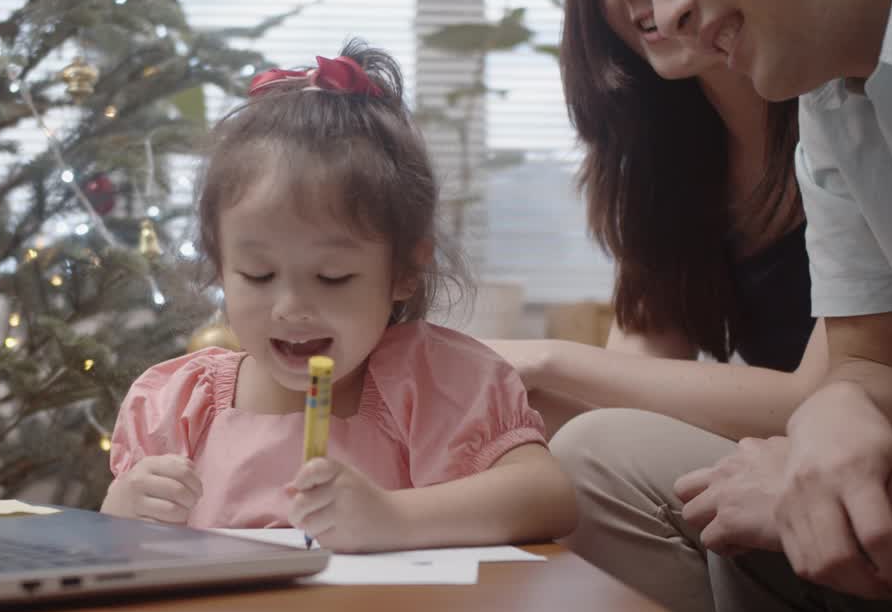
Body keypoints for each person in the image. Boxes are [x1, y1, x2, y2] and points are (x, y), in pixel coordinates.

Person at [595, 0, 892, 612]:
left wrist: (890, 460)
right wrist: (835, 414)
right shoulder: (826, 93)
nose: (665, 14)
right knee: (665, 481)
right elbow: (883, 359)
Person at [100, 41, 578, 553]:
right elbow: (113, 542)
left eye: (331, 277)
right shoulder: (176, 405)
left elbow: (548, 498)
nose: (290, 307)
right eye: (258, 275)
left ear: (404, 271)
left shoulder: (440, 385)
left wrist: (395, 517)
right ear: (220, 267)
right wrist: (124, 509)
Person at [486, 0, 816, 612]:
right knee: (576, 446)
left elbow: (836, 389)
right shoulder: (665, 157)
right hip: (777, 447)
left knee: (591, 447)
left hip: (882, 433)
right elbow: (635, 376)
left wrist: (544, 361)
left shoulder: (832, 103)